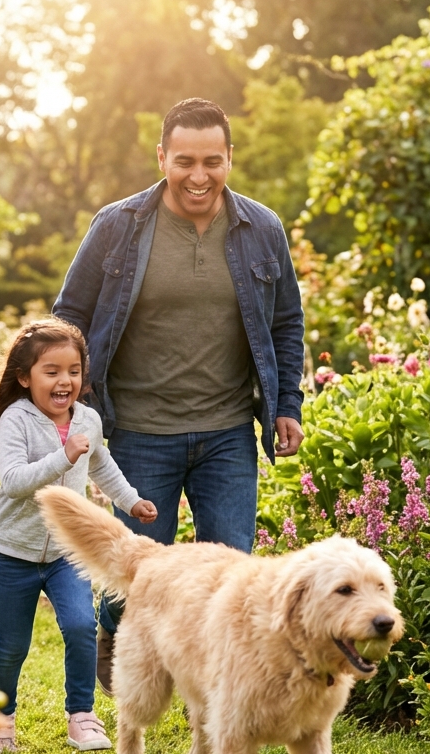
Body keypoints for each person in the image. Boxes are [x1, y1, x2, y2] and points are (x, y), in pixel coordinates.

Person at [53, 97, 305, 694]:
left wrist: (286, 404)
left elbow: (286, 323)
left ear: (229, 158)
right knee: (134, 576)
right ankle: (116, 636)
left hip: (226, 435)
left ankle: (217, 693)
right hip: (139, 433)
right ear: (162, 156)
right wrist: (67, 393)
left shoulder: (261, 229)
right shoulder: (118, 226)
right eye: (185, 160)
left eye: (212, 161)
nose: (199, 176)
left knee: (231, 577)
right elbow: (71, 313)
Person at [0, 318, 157, 751]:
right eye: (51, 371)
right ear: (25, 377)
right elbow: (16, 480)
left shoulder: (88, 420)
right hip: (14, 554)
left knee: (80, 626)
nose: (65, 381)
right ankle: (0, 720)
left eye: (73, 371)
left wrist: (130, 500)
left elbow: (101, 465)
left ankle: (82, 715)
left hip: (67, 553)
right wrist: (62, 456)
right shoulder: (16, 419)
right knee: (13, 644)